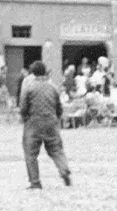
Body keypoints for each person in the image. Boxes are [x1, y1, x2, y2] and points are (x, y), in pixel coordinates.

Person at [18, 61, 71, 190]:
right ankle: (64, 169)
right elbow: (59, 107)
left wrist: (25, 118)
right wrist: (56, 118)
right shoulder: (53, 87)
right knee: (56, 149)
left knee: (30, 154)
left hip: (33, 123)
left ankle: (35, 182)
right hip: (51, 122)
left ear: (33, 73)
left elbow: (23, 106)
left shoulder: (29, 87)